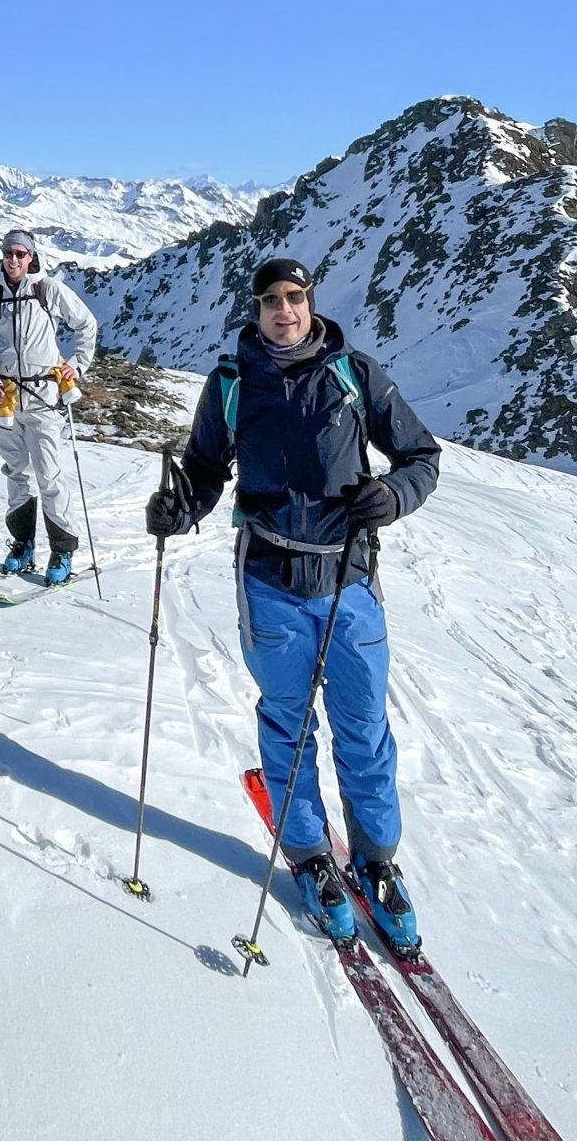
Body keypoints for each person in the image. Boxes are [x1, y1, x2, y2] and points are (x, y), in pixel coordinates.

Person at [146, 255, 440, 949]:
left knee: (363, 725)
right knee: (287, 723)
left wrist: (394, 495)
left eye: (296, 297)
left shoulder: (354, 373)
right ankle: (311, 857)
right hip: (271, 578)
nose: (285, 309)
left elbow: (421, 456)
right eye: (272, 299)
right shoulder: (230, 385)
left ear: (311, 303)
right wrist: (177, 508)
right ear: (255, 309)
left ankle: (376, 861)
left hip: (349, 578)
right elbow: (206, 471)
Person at [0, 228, 98, 583]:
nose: (14, 260)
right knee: (16, 474)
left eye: (21, 254)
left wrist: (79, 364)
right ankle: (22, 544)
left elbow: (86, 323)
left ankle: (62, 550)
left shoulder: (48, 290)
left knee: (49, 476)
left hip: (44, 397)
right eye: (9, 253)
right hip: (7, 398)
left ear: (31, 257)